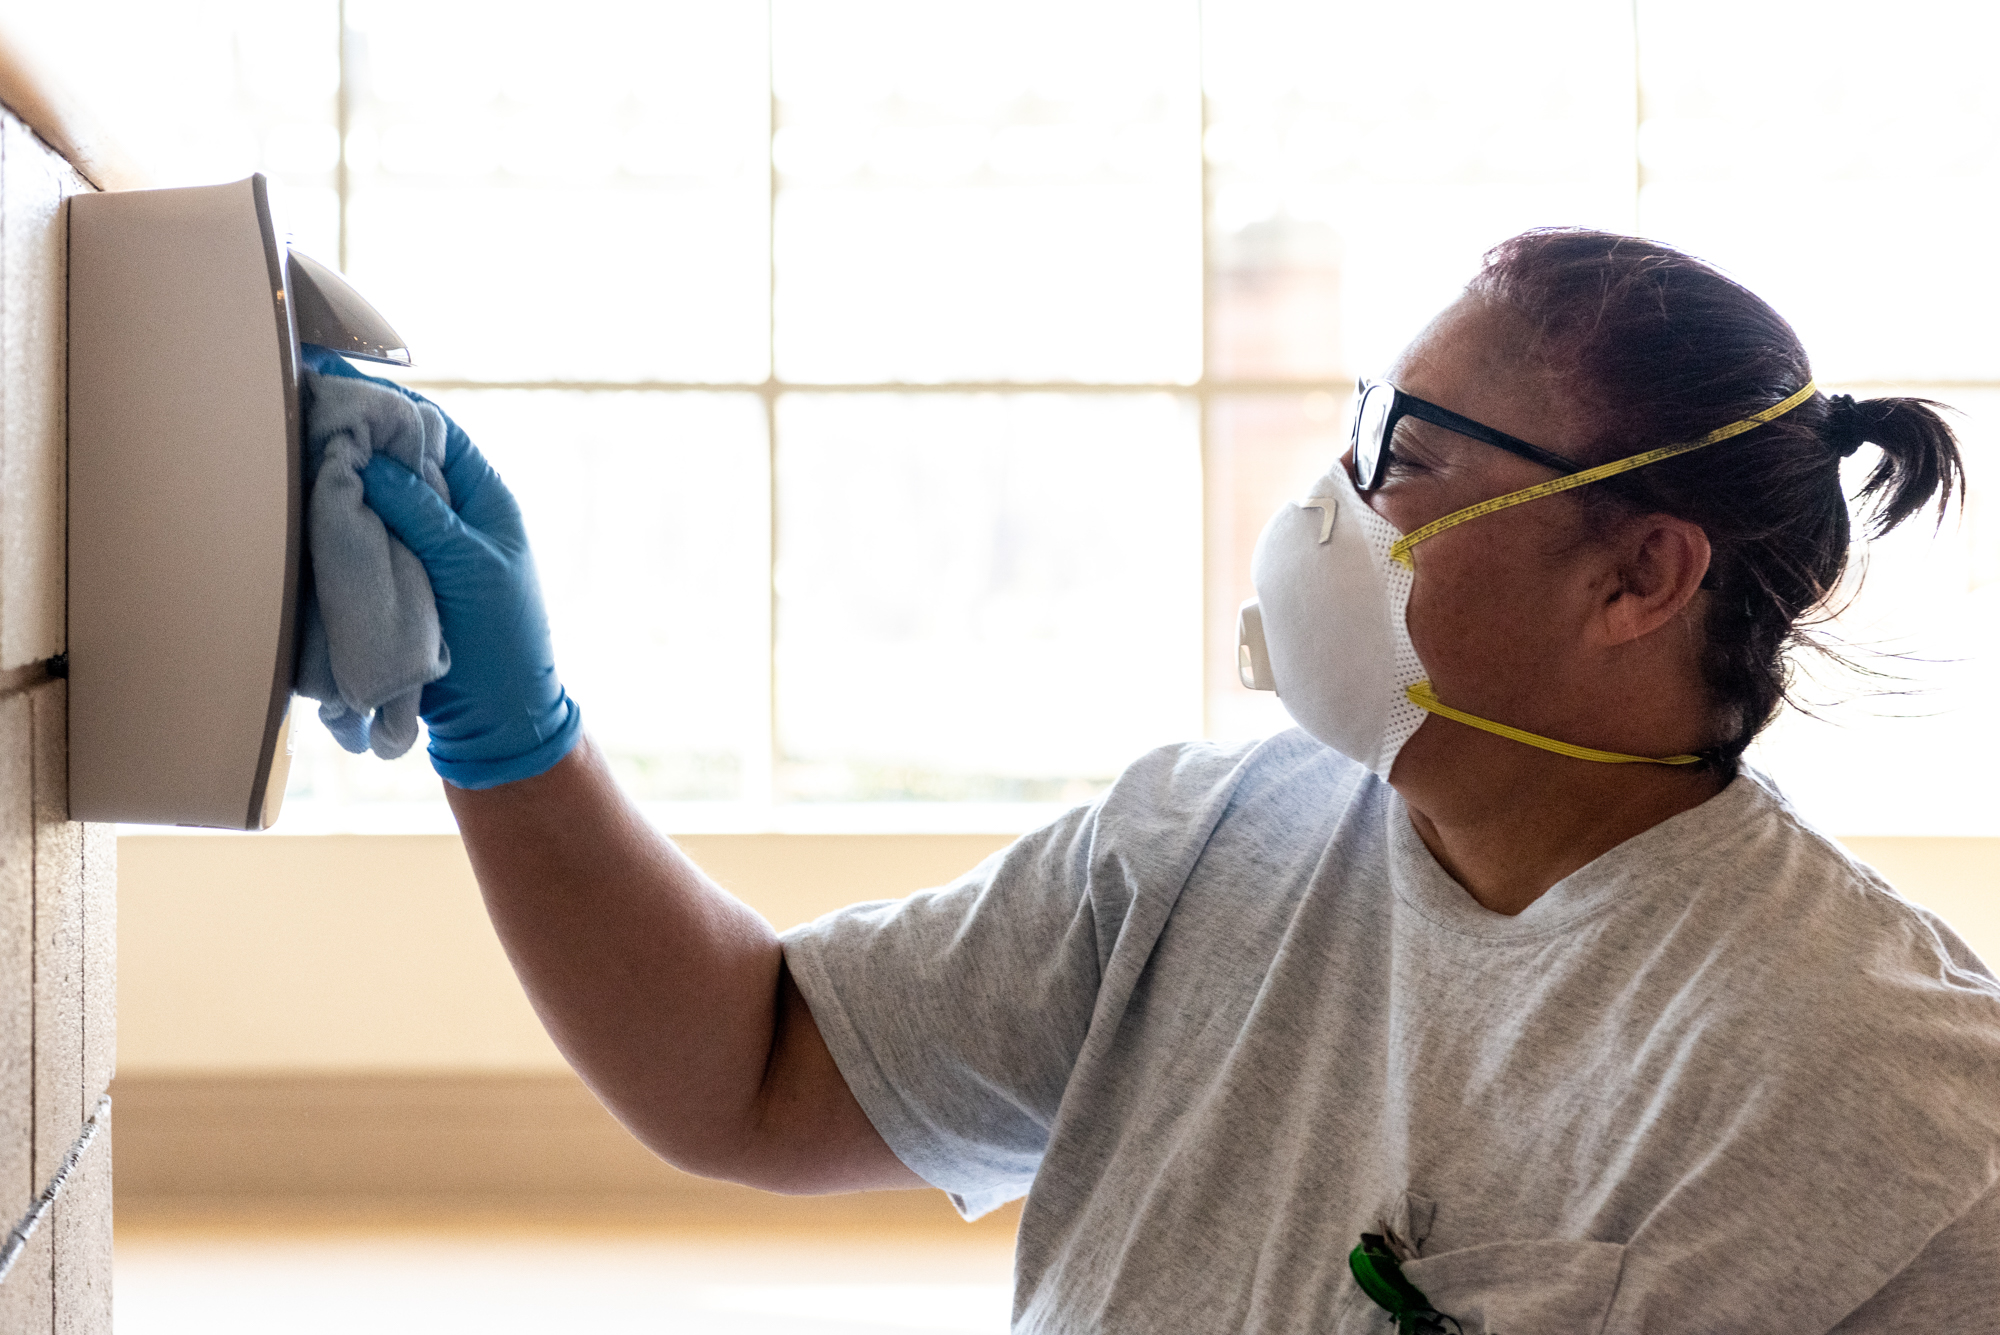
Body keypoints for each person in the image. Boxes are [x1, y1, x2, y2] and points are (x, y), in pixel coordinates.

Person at [330, 229, 2000, 1333]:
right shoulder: (1209, 846)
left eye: (1407, 456)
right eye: (1358, 434)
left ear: (1638, 578)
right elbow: (755, 1074)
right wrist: (513, 733)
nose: (1331, 506)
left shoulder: (1878, 1095)